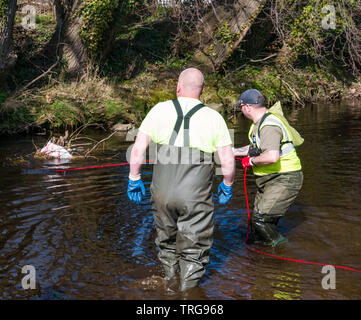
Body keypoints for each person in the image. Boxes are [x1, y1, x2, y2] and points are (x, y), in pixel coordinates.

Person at [127, 68, 235, 292]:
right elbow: (227, 159)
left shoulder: (158, 110)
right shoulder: (214, 117)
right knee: (194, 246)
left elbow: (137, 149)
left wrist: (134, 177)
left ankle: (170, 283)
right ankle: (187, 293)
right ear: (202, 91)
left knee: (166, 240)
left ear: (178, 86)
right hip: (194, 193)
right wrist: (227, 184)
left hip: (161, 191)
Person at [233, 89, 303, 247]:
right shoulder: (258, 125)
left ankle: (283, 250)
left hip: (284, 178)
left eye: (241, 107)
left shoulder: (269, 125)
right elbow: (255, 148)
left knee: (261, 220)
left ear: (248, 107)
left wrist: (250, 162)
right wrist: (233, 152)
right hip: (270, 179)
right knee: (256, 226)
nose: (241, 110)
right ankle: (263, 257)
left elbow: (272, 156)